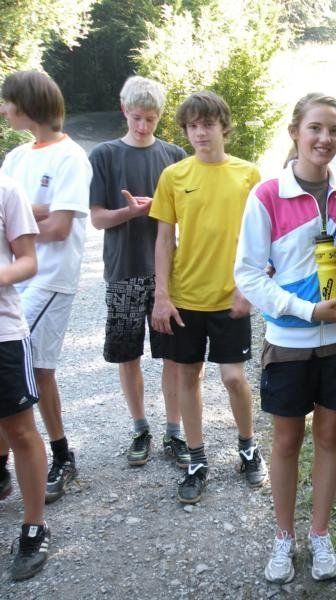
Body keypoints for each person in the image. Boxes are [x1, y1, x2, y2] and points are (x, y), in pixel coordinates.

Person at [234, 92, 336, 584]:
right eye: (315, 128)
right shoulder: (268, 195)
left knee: (329, 437)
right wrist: (306, 310)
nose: (325, 139)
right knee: (286, 441)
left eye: (334, 130)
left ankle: (320, 535)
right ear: (295, 133)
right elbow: (247, 274)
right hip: (289, 340)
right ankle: (283, 537)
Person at [150, 90, 264, 505]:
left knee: (233, 377)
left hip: (230, 297)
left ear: (223, 127)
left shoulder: (248, 175)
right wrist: (162, 295)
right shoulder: (174, 176)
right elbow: (164, 239)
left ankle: (248, 448)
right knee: (188, 376)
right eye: (193, 126)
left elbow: (261, 238)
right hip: (185, 297)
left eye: (208, 124)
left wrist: (248, 287)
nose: (200, 133)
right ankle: (197, 461)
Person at [0, 70, 92, 504]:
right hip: (18, 280)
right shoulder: (16, 158)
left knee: (34, 370)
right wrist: (35, 210)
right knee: (23, 370)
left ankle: (59, 455)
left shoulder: (71, 157)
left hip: (51, 278)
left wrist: (28, 214)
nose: (4, 110)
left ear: (28, 105)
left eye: (8, 102)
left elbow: (58, 228)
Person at [88, 75, 189, 470]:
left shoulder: (174, 155)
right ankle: (139, 428)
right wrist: (129, 212)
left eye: (151, 118)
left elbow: (189, 214)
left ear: (160, 116)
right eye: (136, 117)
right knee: (127, 353)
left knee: (173, 356)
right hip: (124, 270)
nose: (143, 126)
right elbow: (97, 218)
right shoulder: (104, 155)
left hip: (169, 274)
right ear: (123, 110)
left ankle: (174, 430)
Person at [0, 174, 51, 581]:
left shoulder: (6, 189)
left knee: (19, 429)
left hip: (2, 333)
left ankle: (35, 527)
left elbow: (28, 260)